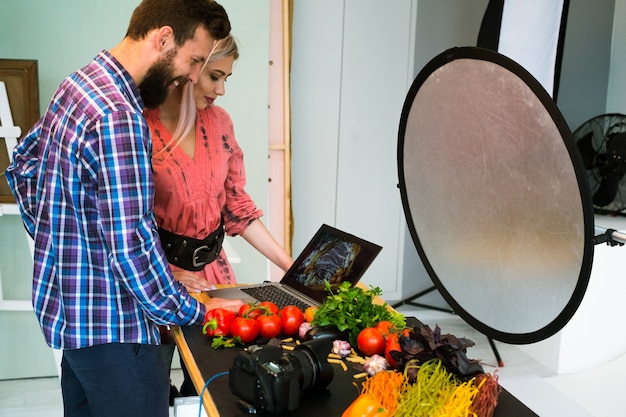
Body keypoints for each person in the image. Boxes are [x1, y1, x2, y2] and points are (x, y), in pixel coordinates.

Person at [4, 1, 242, 417]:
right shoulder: (119, 116)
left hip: (75, 321)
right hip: (120, 332)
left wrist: (68, 246)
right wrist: (196, 310)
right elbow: (131, 245)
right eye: (194, 61)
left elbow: (23, 168)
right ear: (163, 39)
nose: (191, 76)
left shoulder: (78, 84)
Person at [143, 34, 293, 399]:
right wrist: (165, 273)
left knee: (213, 388)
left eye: (227, 78)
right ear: (189, 69)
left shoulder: (220, 123)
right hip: (157, 281)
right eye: (214, 76)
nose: (222, 90)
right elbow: (128, 219)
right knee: (151, 391)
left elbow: (238, 207)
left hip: (213, 276)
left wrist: (289, 265)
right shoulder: (138, 125)